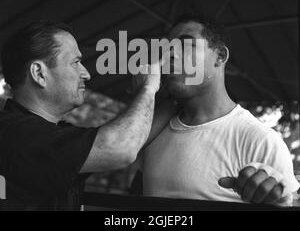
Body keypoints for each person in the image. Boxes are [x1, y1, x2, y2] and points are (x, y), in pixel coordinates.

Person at [0, 21, 170, 211]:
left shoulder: (46, 135)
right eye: (76, 62)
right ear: (39, 73)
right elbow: (121, 148)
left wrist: (174, 102)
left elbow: (134, 137)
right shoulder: (17, 135)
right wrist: (148, 88)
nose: (86, 74)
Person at [135, 17, 299, 206]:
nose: (170, 55)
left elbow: (285, 201)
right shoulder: (153, 128)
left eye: (186, 46)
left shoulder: (260, 140)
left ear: (220, 56)